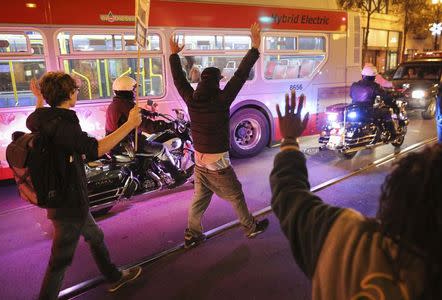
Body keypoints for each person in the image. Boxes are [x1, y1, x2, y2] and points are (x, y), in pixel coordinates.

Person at [270, 90, 442, 299]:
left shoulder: (346, 240)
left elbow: (289, 193)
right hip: (367, 114)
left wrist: (289, 140)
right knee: (386, 119)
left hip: (360, 114)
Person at [28, 72, 142, 299]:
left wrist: (40, 98)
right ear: (69, 94)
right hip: (67, 200)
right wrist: (129, 124)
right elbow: (95, 149)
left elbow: (38, 113)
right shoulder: (64, 124)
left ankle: (114, 277)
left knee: (95, 236)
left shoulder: (43, 118)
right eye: (76, 90)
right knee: (60, 261)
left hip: (66, 194)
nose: (77, 93)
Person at [169, 22, 269, 249]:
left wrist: (174, 55)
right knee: (236, 194)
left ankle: (192, 234)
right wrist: (254, 48)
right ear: (217, 82)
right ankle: (250, 227)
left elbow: (178, 80)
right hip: (217, 160)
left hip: (199, 159)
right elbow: (241, 75)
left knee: (201, 197)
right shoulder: (222, 99)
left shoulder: (191, 99)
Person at [105, 75, 188, 187]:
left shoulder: (118, 104)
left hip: (117, 144)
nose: (135, 92)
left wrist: (151, 113)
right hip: (128, 144)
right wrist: (169, 125)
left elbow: (137, 111)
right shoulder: (125, 105)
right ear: (127, 89)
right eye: (134, 89)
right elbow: (147, 126)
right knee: (161, 149)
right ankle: (177, 176)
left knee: (152, 142)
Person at [350, 64, 398, 137]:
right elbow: (385, 97)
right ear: (373, 77)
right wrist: (392, 102)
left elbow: (351, 95)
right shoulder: (374, 86)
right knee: (386, 111)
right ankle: (393, 134)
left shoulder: (354, 84)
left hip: (354, 109)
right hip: (367, 111)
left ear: (363, 75)